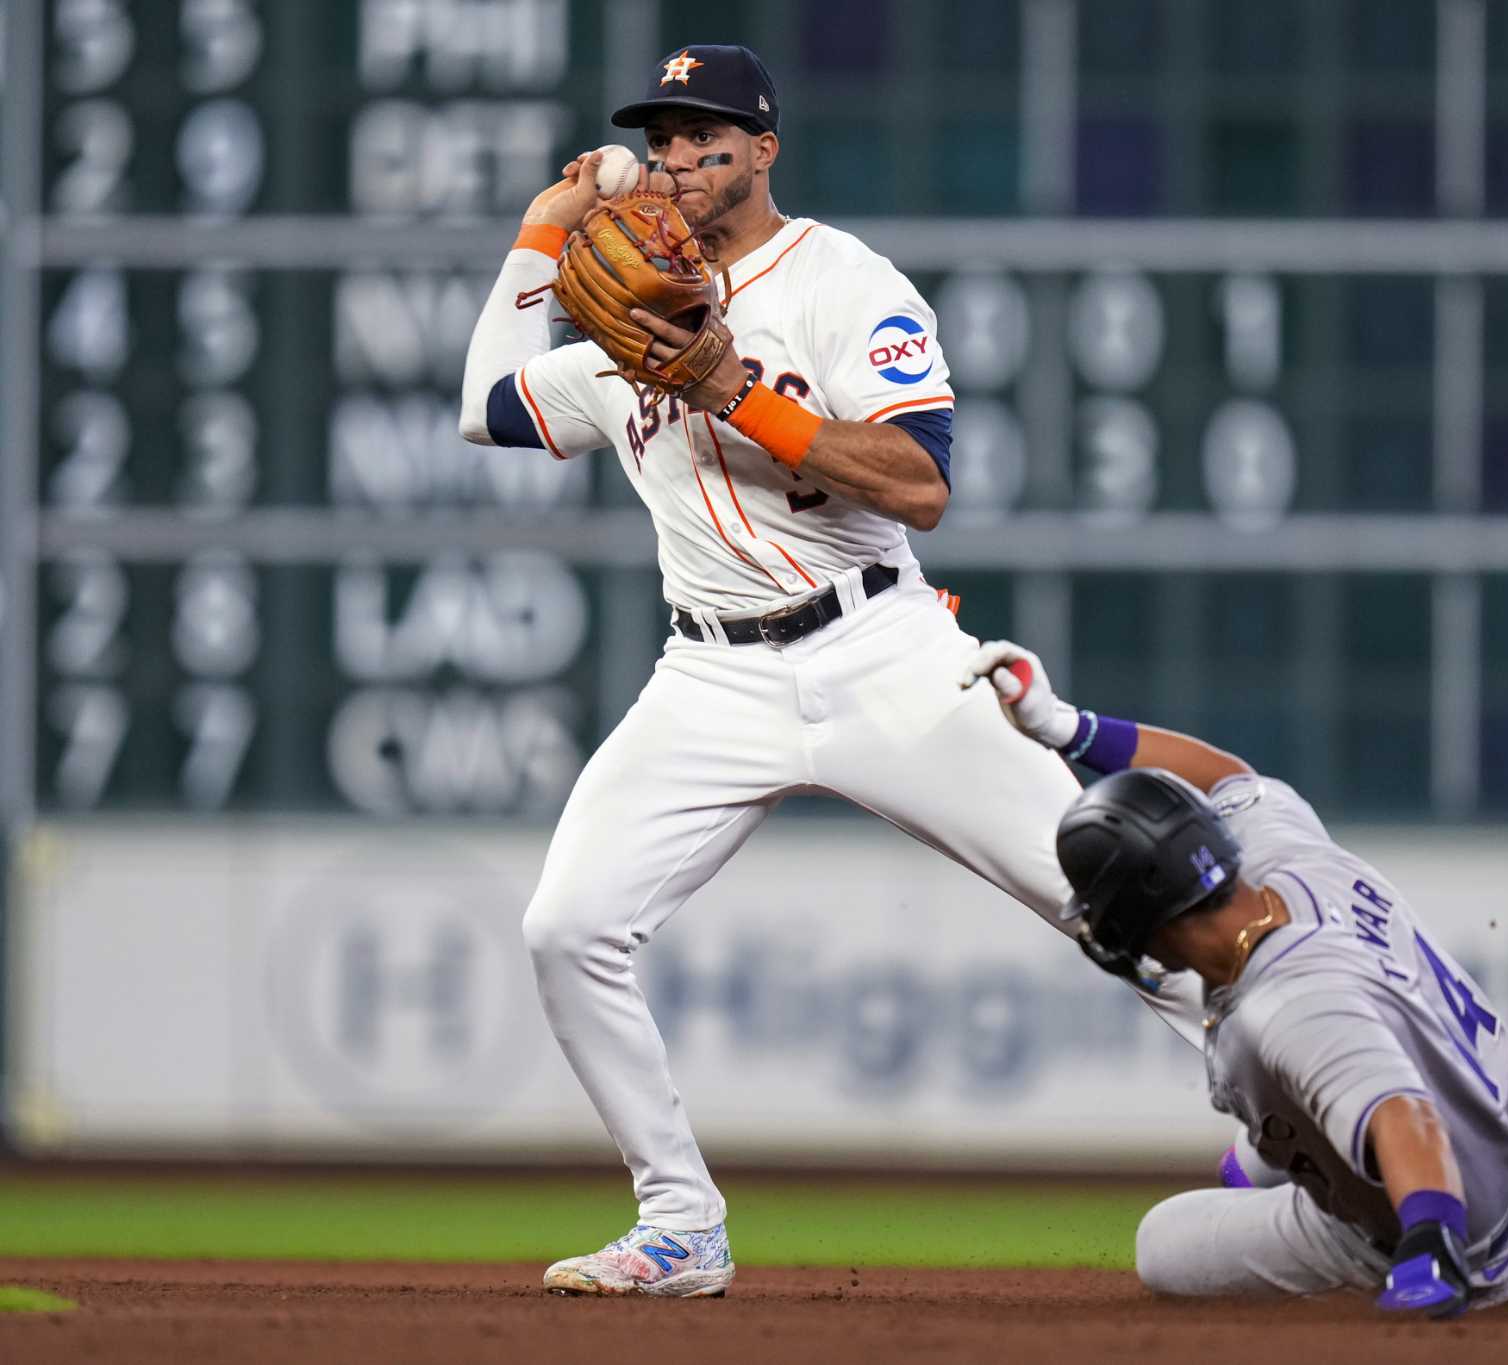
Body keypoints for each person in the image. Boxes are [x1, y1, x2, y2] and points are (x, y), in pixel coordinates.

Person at [457, 44, 1203, 1297]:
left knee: (1116, 910)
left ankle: (1345, 1152)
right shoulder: (613, 318)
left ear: (763, 150)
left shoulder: (844, 281)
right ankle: (680, 1222)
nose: (684, 158)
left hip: (880, 651)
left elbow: (920, 486)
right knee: (567, 927)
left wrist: (739, 394)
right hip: (707, 679)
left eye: (709, 137)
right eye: (666, 137)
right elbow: (485, 405)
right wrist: (540, 236)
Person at [960, 640, 1508, 1317]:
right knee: (1246, 1164)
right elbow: (1225, 775)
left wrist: (1432, 1241)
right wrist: (1065, 726)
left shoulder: (1287, 1004)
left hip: (1466, 1203)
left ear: (1146, 917)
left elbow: (1403, 1113)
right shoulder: (1279, 852)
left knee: (1163, 1243)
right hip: (1504, 1114)